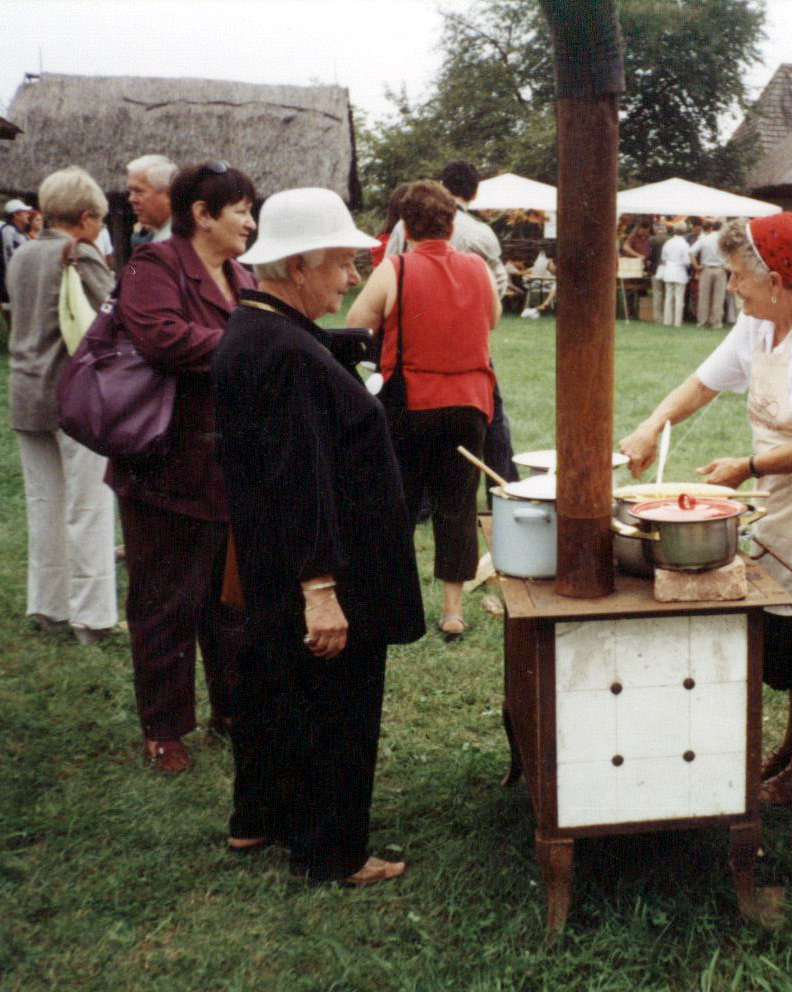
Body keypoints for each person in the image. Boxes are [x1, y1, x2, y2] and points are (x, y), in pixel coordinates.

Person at [620, 213, 792, 806]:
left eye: (737, 275)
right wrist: (650, 426)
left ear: (775, 280)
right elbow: (703, 383)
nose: (731, 286)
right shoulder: (757, 322)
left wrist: (745, 467)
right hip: (787, 493)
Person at [214, 187, 423, 886]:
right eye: (340, 262)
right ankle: (333, 850)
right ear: (298, 265)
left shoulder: (258, 330)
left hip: (275, 557)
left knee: (275, 687)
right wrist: (322, 589)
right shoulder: (285, 353)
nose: (352, 277)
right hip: (320, 564)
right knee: (335, 706)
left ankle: (258, 817)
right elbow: (300, 478)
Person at [110, 161, 258, 774]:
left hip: (230, 466)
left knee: (229, 600)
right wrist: (250, 344)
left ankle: (232, 709)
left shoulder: (244, 274)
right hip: (163, 466)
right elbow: (160, 337)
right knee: (164, 600)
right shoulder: (153, 265)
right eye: (241, 211)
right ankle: (165, 730)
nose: (250, 222)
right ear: (201, 214)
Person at [346, 180, 500, 641]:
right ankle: (452, 611)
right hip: (470, 403)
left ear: (405, 227)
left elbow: (356, 325)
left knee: (400, 504)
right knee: (458, 505)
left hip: (410, 403)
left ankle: (394, 602)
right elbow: (492, 320)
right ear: (451, 225)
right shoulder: (478, 268)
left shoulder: (394, 269)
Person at [5, 167, 119, 645]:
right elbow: (114, 315)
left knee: (44, 505)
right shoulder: (80, 255)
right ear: (86, 217)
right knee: (89, 506)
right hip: (74, 397)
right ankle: (92, 619)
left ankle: (50, 607)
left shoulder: (23, 254)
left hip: (25, 391)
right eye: (99, 221)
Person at [439, 160, 518, 502]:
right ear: (473, 192)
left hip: (419, 336)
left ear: (442, 186)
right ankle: (502, 486)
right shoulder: (480, 233)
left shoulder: (406, 226)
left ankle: (426, 497)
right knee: (491, 415)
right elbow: (498, 281)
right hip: (469, 339)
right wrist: (478, 318)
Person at [126, 154, 177, 244]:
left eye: (138, 191)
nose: (131, 199)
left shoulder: (177, 240)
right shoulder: (162, 235)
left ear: (168, 194)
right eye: (130, 192)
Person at [0, 199, 32, 305]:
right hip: (10, 282)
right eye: (24, 212)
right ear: (16, 215)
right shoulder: (8, 230)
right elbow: (8, 258)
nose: (28, 214)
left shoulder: (22, 232)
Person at [692, 219, 728, 329]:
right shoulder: (724, 240)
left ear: (712, 228)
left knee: (704, 297)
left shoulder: (704, 239)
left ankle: (702, 322)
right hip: (720, 269)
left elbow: (691, 252)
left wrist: (696, 266)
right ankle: (716, 323)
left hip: (706, 269)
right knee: (719, 297)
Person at [656, 222, 692, 326]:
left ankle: (667, 321)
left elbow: (663, 258)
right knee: (679, 298)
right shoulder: (685, 244)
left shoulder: (668, 243)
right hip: (680, 272)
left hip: (668, 271)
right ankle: (677, 322)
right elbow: (687, 261)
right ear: (684, 231)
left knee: (668, 297)